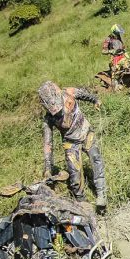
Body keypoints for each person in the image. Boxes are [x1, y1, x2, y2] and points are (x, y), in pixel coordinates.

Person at [38, 81, 107, 210]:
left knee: (96, 159)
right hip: (70, 143)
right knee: (75, 177)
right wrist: (48, 168)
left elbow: (86, 95)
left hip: (86, 132)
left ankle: (101, 194)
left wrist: (96, 100)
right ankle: (82, 204)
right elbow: (48, 144)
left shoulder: (69, 93)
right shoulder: (48, 120)